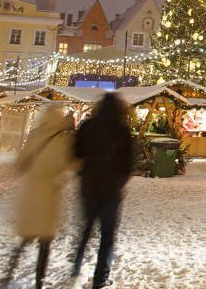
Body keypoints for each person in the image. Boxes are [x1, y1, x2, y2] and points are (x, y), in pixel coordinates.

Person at [2, 107, 75, 289]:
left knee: (25, 237)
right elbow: (71, 164)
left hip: (31, 192)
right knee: (45, 241)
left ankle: (8, 273)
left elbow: (20, 163)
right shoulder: (63, 140)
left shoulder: (35, 135)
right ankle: (39, 281)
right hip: (50, 194)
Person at [71, 93, 134, 289]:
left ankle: (75, 269)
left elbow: (75, 153)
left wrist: (84, 173)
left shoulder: (87, 127)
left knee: (86, 229)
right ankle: (101, 277)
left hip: (89, 186)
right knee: (107, 235)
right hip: (111, 189)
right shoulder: (123, 130)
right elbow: (130, 163)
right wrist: (118, 181)